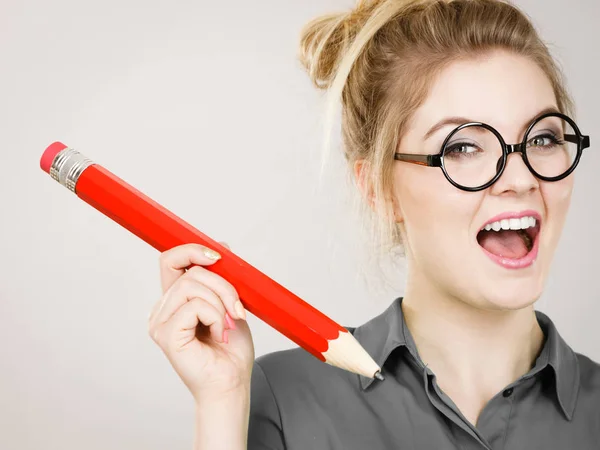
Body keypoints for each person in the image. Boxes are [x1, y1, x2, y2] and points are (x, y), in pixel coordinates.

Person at [147, 0, 600, 448]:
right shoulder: (282, 400)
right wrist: (222, 404)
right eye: (462, 148)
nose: (521, 179)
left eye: (542, 138)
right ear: (379, 188)